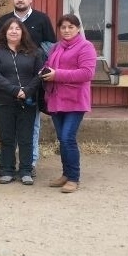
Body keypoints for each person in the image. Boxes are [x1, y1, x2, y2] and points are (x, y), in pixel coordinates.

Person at [0, 0, 56, 176]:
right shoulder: (4, 21)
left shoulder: (42, 19)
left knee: (32, 127)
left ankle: (30, 164)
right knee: (8, 132)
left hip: (32, 82)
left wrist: (40, 70)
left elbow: (50, 47)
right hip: (7, 85)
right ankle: (8, 166)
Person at [40, 14, 97, 193]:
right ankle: (65, 174)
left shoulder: (86, 47)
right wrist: (43, 71)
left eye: (70, 27)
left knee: (67, 139)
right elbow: (49, 65)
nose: (66, 30)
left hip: (75, 100)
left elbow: (86, 73)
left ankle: (74, 178)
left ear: (78, 28)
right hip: (57, 99)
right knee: (62, 139)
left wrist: (57, 75)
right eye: (63, 27)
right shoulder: (56, 47)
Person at [0, 18, 44, 185]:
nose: (13, 31)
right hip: (4, 101)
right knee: (7, 138)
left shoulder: (34, 51)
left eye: (17, 29)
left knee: (26, 137)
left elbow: (39, 74)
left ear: (22, 32)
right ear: (4, 32)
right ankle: (7, 169)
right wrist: (14, 90)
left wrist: (26, 91)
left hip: (28, 100)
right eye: (10, 29)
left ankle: (25, 170)